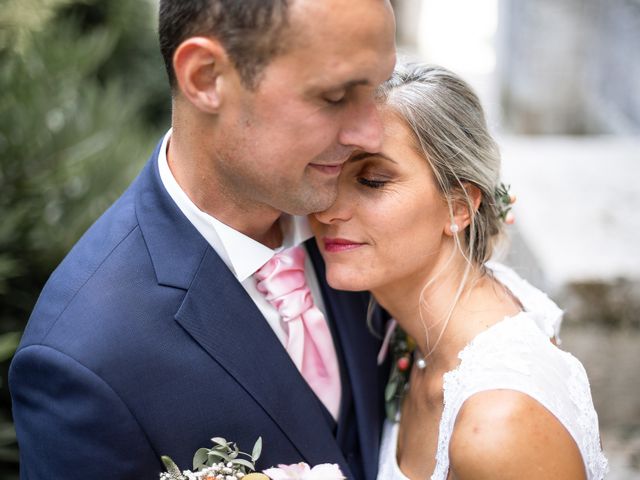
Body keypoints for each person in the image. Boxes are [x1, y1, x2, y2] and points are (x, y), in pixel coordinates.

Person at [9, 1, 396, 478]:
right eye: (335, 97)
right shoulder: (86, 357)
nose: (372, 133)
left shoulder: (383, 219)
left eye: (379, 89)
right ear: (206, 77)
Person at [310, 63, 609, 480]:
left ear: (458, 207)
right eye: (324, 173)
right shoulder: (421, 327)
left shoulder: (500, 426)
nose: (326, 210)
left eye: (373, 179)